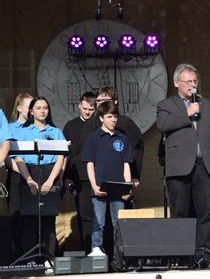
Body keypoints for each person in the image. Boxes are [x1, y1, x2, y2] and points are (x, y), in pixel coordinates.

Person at [156, 63, 210, 263]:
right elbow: (162, 125)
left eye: (195, 81)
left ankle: (204, 253)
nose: (193, 85)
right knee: (180, 211)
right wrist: (187, 113)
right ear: (176, 83)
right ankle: (180, 253)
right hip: (179, 167)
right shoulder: (166, 105)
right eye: (188, 81)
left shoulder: (206, 104)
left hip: (204, 164)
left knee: (206, 211)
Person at [14, 97, 65, 258]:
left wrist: (51, 180)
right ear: (31, 111)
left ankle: (48, 258)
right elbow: (19, 158)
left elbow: (61, 158)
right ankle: (30, 259)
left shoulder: (56, 132)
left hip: (50, 174)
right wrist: (28, 179)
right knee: (29, 221)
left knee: (49, 221)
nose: (42, 111)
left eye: (45, 107)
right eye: (38, 108)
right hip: (30, 173)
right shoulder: (24, 132)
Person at [81, 101, 133, 257]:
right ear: (102, 118)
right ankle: (96, 250)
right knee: (99, 222)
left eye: (115, 116)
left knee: (119, 223)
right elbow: (89, 164)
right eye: (109, 116)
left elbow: (126, 165)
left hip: (118, 188)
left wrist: (128, 187)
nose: (113, 120)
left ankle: (119, 254)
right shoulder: (93, 138)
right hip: (100, 186)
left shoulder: (123, 138)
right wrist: (94, 186)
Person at [62, 91, 96, 253]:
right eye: (85, 108)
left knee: (102, 217)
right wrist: (67, 178)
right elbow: (65, 156)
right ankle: (88, 250)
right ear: (79, 106)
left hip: (98, 176)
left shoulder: (99, 124)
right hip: (79, 178)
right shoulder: (70, 126)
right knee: (85, 216)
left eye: (91, 109)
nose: (87, 112)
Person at [6, 93, 33, 257]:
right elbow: (7, 156)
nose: (31, 110)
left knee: (32, 217)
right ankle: (18, 255)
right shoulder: (10, 128)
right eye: (29, 106)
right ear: (19, 108)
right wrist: (24, 174)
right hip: (17, 176)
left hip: (34, 174)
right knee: (16, 215)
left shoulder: (34, 128)